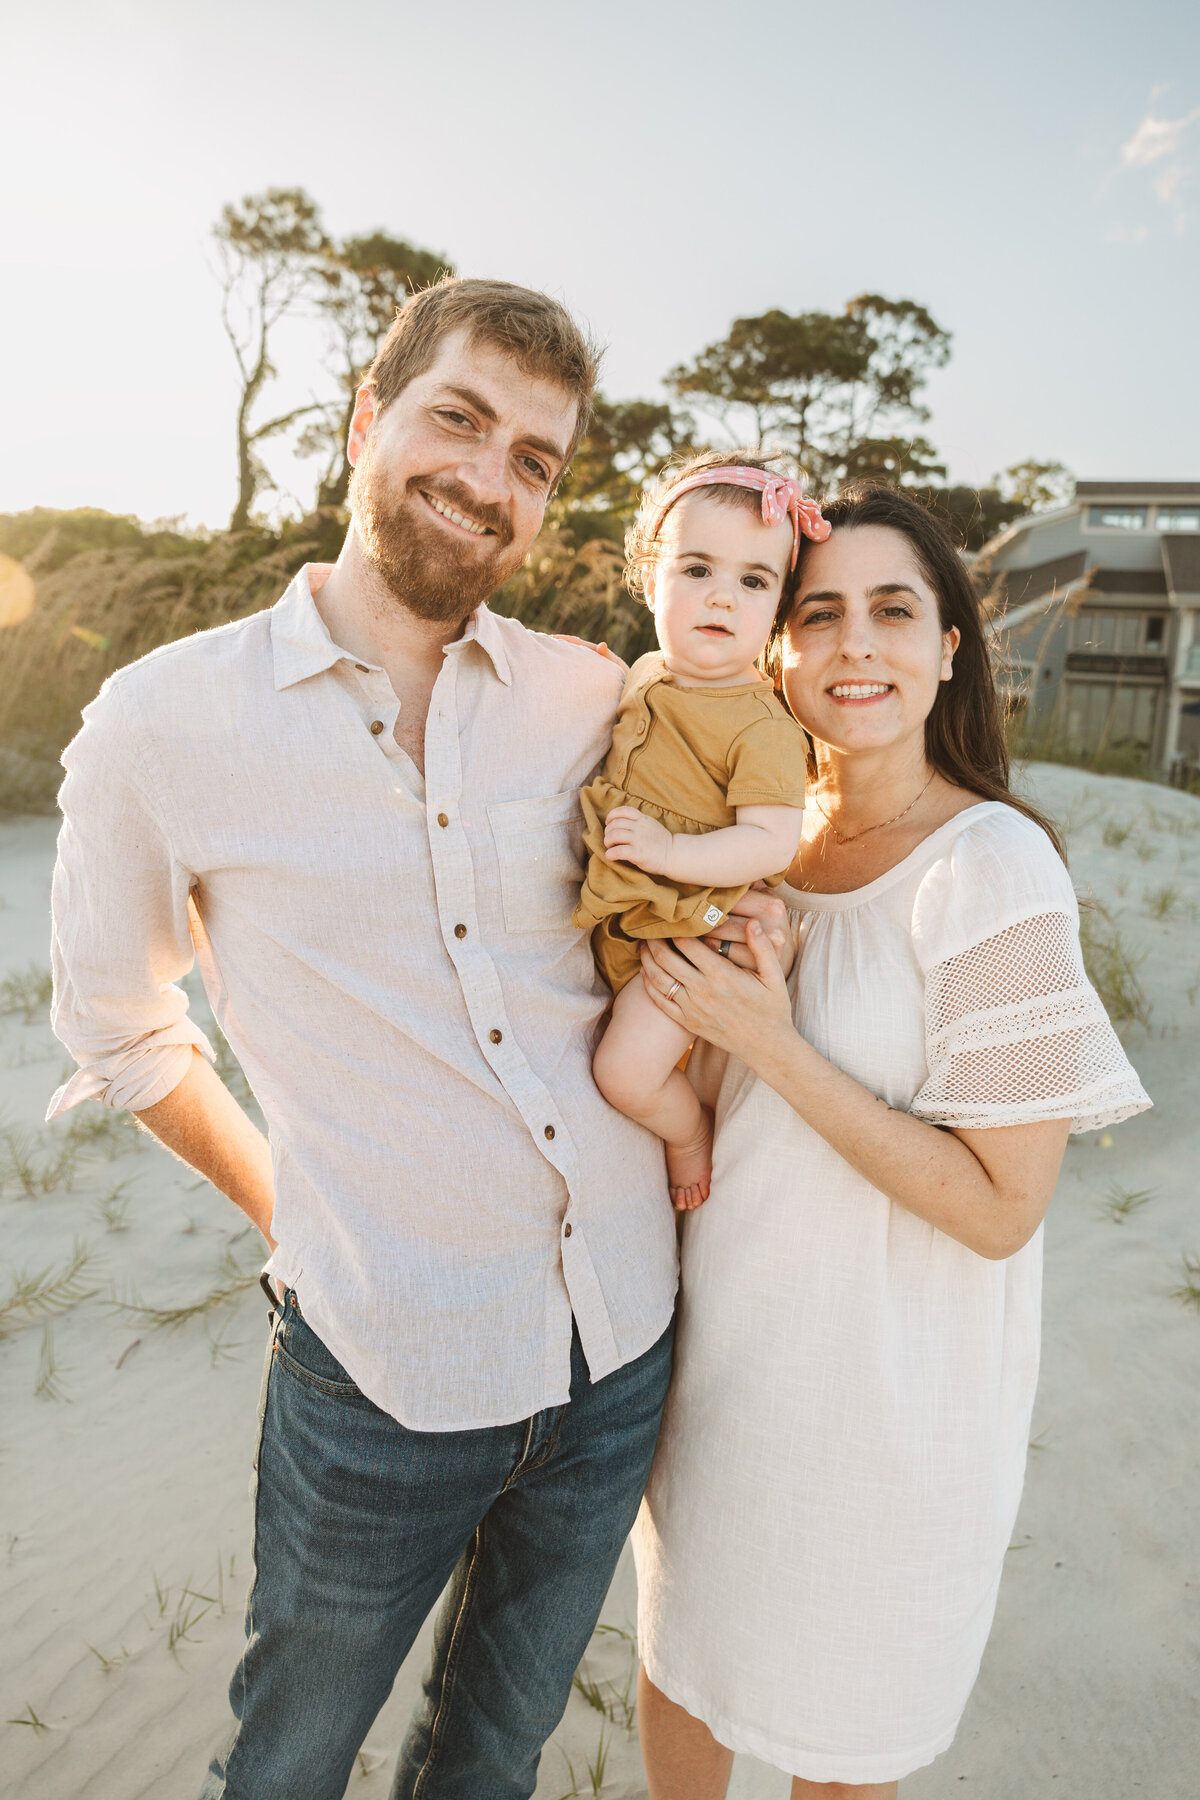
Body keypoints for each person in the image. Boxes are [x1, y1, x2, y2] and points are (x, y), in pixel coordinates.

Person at [46, 278, 682, 1800]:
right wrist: (298, 1211)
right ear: (364, 422)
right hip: (377, 1374)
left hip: (624, 1348)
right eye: (458, 418)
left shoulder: (592, 699)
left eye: (535, 458)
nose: (488, 476)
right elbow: (122, 1031)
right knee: (289, 1763)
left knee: (493, 1756)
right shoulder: (158, 726)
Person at [630, 484, 1151, 1799]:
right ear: (777, 649)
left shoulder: (988, 868)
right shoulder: (761, 850)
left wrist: (772, 1042)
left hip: (883, 1420)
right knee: (684, 1676)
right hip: (718, 1383)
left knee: (844, 1744)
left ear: (948, 649)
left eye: (894, 611)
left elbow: (998, 1209)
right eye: (820, 613)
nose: (856, 645)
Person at [574, 455, 820, 1208]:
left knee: (623, 1073)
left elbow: (772, 840)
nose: (722, 597)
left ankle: (688, 1136)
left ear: (777, 605)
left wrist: (672, 851)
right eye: (697, 569)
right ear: (650, 577)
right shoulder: (647, 671)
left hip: (696, 929)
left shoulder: (761, 723)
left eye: (753, 581)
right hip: (641, 913)